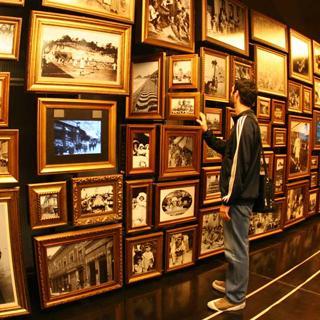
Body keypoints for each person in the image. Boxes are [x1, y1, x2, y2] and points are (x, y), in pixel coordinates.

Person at [196, 79, 261, 312]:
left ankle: (235, 299)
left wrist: (227, 201)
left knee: (236, 249)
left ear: (236, 93)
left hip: (238, 201)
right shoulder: (247, 121)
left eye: (231, 90)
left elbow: (237, 167)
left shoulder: (245, 122)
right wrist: (207, 133)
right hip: (241, 199)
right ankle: (234, 286)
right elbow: (228, 150)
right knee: (235, 247)